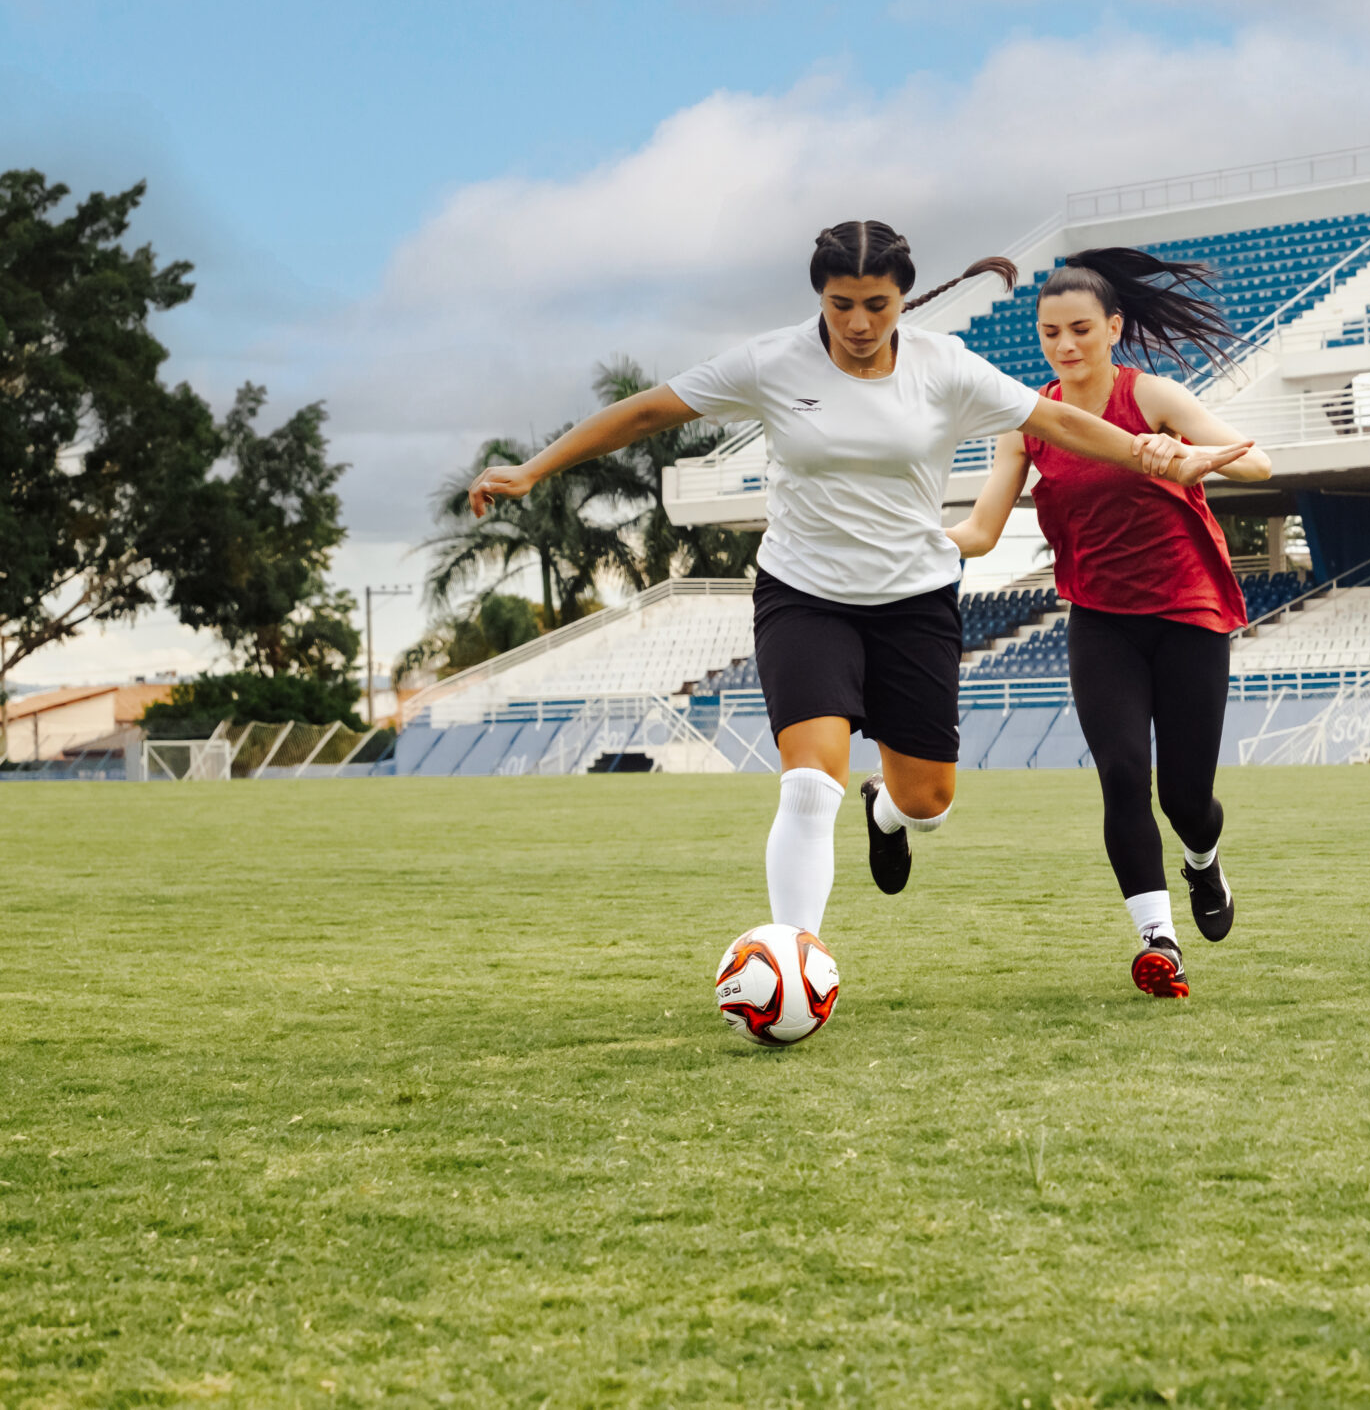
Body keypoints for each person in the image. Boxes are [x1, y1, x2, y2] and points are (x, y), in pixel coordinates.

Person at [464, 220, 1250, 949]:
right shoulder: (772, 361)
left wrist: (1151, 454)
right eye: (842, 305)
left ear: (903, 297)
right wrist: (535, 469)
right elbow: (646, 414)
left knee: (929, 801)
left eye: (877, 304)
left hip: (914, 601)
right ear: (821, 298)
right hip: (803, 594)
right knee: (809, 777)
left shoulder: (946, 367)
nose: (860, 323)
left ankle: (888, 809)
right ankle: (796, 956)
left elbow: (1065, 426)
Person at [946, 249, 1272, 999]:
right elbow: (984, 529)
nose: (1065, 345)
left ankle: (1203, 859)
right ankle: (1158, 940)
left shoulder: (1151, 395)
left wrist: (1180, 452)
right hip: (1100, 620)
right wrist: (914, 538)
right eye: (1051, 332)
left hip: (1189, 614)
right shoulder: (1029, 421)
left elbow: (1256, 464)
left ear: (1114, 328)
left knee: (1185, 799)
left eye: (1081, 330)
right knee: (1124, 774)